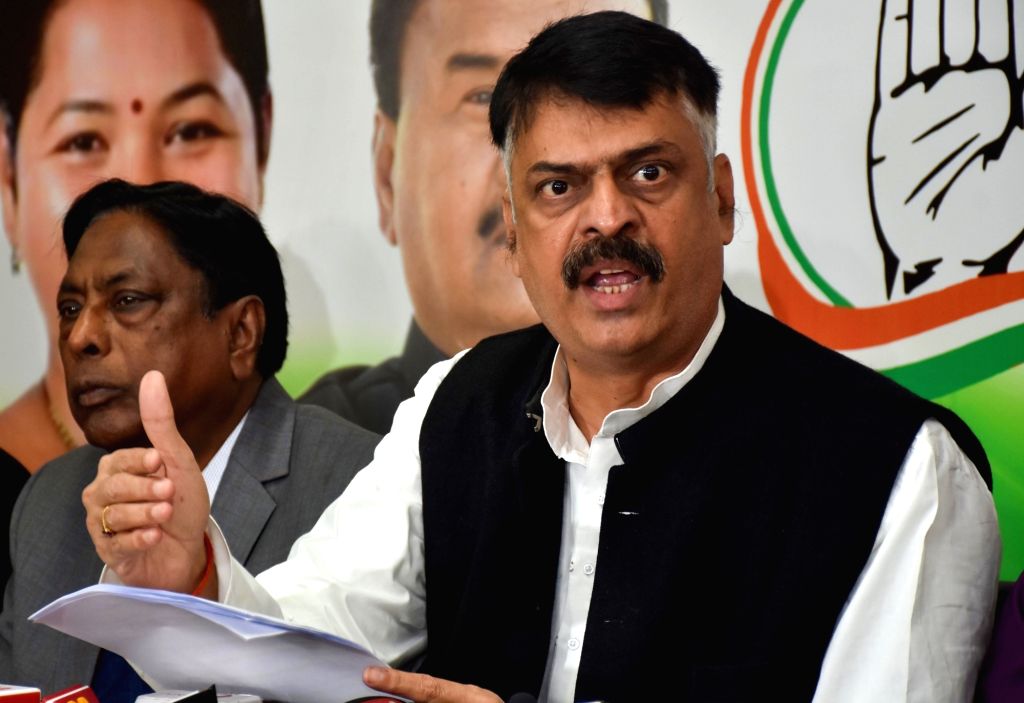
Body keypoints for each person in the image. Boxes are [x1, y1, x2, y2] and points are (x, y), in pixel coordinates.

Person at [84, 13, 1000, 703]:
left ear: (721, 201)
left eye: (648, 173)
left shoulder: (901, 471)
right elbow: (301, 637)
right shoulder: (460, 402)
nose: (606, 218)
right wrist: (191, 579)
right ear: (517, 234)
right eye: (559, 187)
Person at [0, 180, 380, 702]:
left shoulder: (358, 483)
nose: (81, 336)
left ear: (241, 333)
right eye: (70, 308)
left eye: (127, 301)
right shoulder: (50, 499)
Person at [299, 0, 667, 435]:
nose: (544, 162)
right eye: (484, 99)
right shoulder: (319, 452)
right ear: (387, 174)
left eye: (601, 91)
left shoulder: (740, 425)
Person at [0, 0, 272, 475]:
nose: (138, 188)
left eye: (191, 131)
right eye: (83, 141)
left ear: (262, 138)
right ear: (8, 178)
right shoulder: (34, 502)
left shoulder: (349, 484)